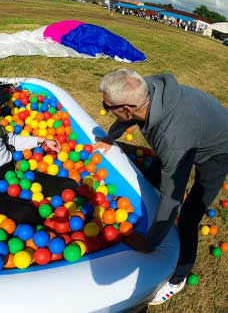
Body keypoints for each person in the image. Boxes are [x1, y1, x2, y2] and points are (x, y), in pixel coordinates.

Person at [94, 69, 228, 305]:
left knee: (187, 218)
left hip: (218, 151)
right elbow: (131, 118)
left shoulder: (172, 138)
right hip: (192, 131)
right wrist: (110, 137)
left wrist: (150, 243)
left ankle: (178, 277)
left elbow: (172, 197)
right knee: (158, 171)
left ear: (126, 108)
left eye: (107, 107)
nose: (105, 110)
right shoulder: (147, 89)